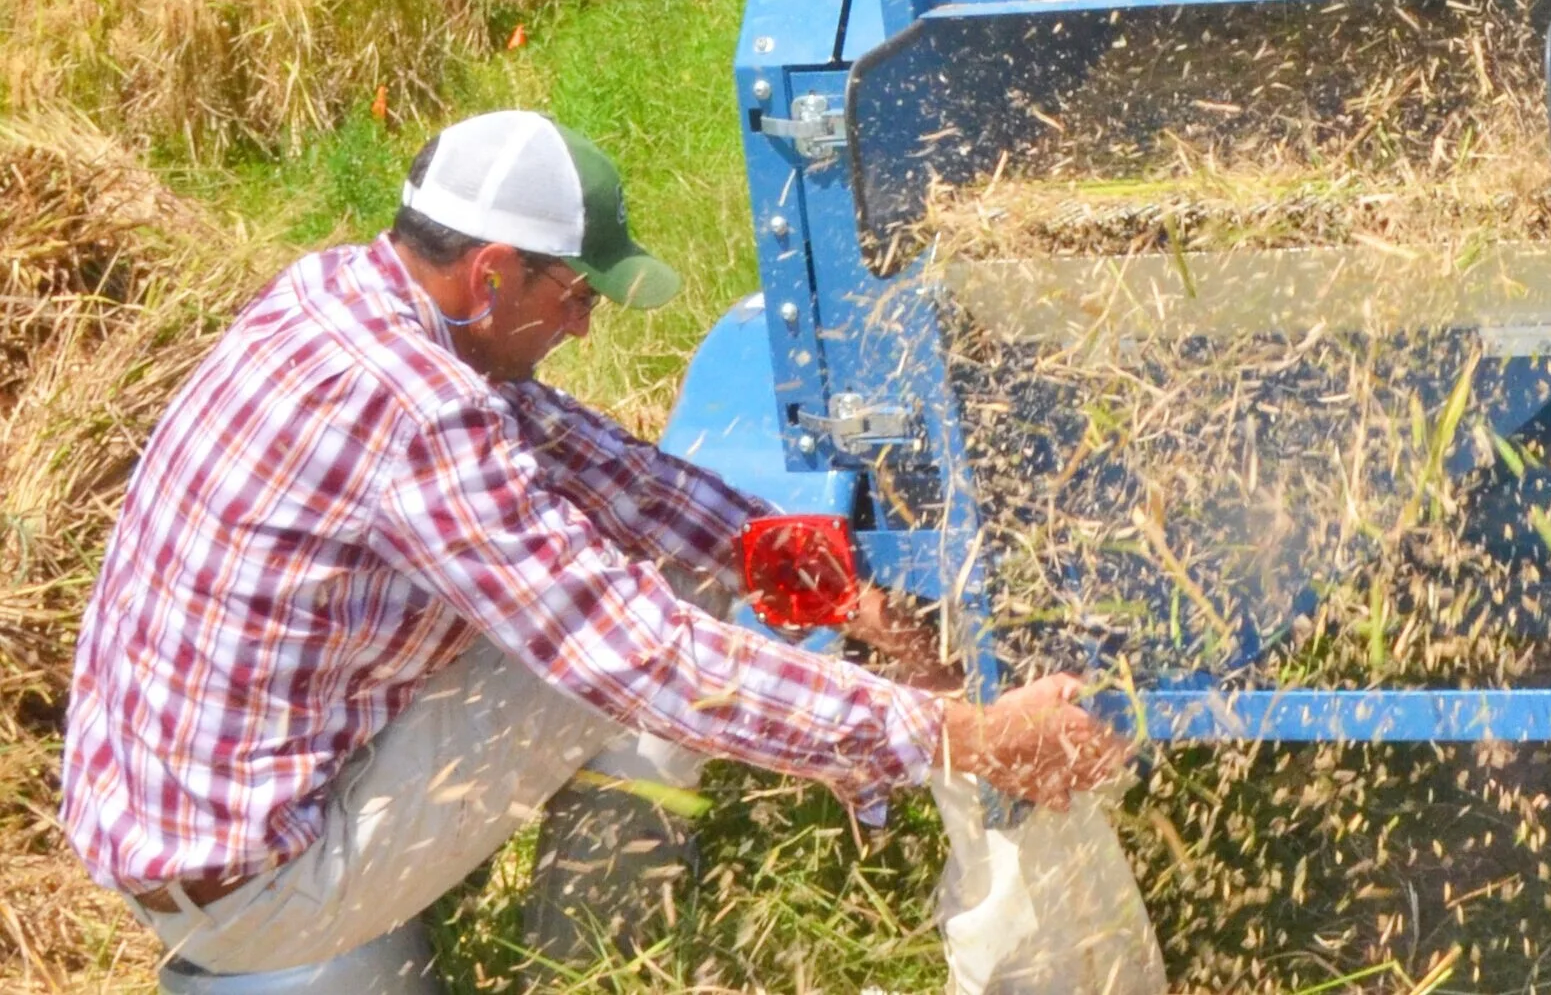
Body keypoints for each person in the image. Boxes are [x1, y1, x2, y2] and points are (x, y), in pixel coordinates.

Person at [62, 110, 1123, 980]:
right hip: (258, 893)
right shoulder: (420, 415)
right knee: (643, 632)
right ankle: (596, 943)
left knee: (645, 566)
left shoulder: (341, 296)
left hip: (169, 825)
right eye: (572, 296)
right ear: (489, 275)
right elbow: (646, 658)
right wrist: (956, 736)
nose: (583, 329)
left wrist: (846, 597)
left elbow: (622, 477)